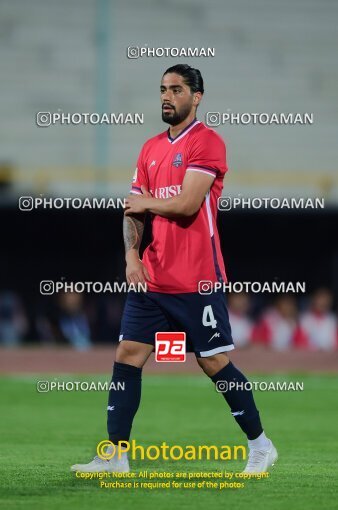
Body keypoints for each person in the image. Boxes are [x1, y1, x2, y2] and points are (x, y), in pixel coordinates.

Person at [71, 64, 277, 474]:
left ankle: (260, 445)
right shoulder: (149, 149)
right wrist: (132, 257)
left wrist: (147, 202)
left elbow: (186, 204)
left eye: (177, 89)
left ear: (196, 97)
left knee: (213, 361)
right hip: (152, 278)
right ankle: (116, 456)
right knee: (128, 354)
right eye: (163, 89)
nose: (167, 96)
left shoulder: (208, 143)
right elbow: (133, 210)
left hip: (196, 279)